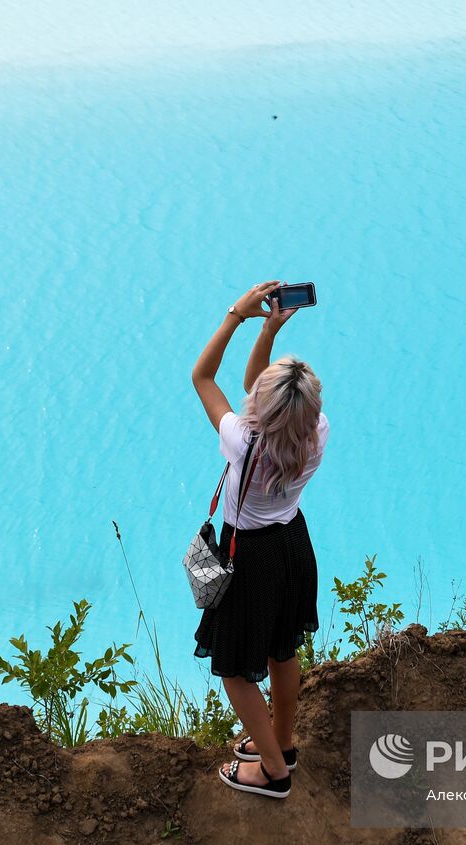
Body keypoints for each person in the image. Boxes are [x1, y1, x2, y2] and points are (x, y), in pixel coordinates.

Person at [190, 280, 329, 800]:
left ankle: (273, 770)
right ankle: (284, 742)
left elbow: (203, 377)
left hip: (250, 556)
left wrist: (236, 316)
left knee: (232, 667)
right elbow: (256, 392)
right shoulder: (316, 433)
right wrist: (269, 329)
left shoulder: (242, 441)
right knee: (281, 649)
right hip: (293, 544)